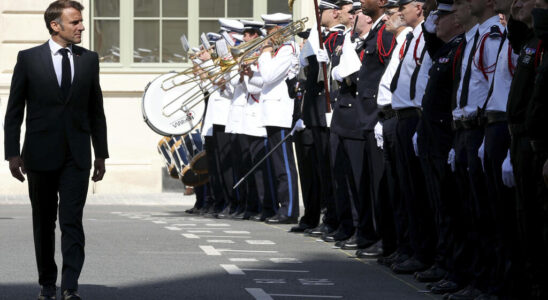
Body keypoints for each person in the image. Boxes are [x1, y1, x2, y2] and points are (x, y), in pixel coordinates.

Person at [3, 1, 108, 299]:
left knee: (72, 221)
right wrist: (12, 153)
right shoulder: (29, 59)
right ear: (55, 25)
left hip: (77, 156)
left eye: (80, 21)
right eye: (75, 22)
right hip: (39, 154)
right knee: (44, 222)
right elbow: (14, 112)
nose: (82, 27)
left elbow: (96, 110)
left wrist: (100, 154)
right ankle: (47, 283)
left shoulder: (89, 60)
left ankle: (70, 287)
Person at [327, 0, 394, 253]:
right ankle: (366, 232)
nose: (355, 14)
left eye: (358, 11)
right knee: (355, 181)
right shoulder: (362, 38)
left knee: (371, 184)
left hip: (369, 115)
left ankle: (376, 235)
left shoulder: (382, 35)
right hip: (358, 116)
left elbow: (377, 75)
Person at [389, 0, 436, 275]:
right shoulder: (411, 37)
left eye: (403, 5)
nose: (399, 11)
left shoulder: (425, 34)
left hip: (417, 116)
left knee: (420, 193)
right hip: (403, 116)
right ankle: (413, 248)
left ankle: (424, 252)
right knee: (408, 192)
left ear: (418, 7)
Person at [506, 0, 547, 297]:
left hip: (538, 144)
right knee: (525, 218)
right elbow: (515, 36)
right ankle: (531, 283)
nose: (518, 3)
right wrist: (514, 14)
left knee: (538, 218)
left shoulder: (544, 42)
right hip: (520, 137)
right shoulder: (530, 39)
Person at [372, 0, 413, 264]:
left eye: (391, 13)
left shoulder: (409, 39)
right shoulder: (400, 42)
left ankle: (408, 247)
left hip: (402, 118)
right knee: (395, 190)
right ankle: (400, 245)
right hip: (388, 118)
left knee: (405, 191)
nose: (387, 17)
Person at [257, 13, 300, 224]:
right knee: (277, 166)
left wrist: (264, 52)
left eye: (269, 30)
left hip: (281, 114)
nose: (266, 35)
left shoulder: (287, 50)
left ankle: (290, 210)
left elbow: (268, 76)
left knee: (284, 165)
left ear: (280, 30)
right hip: (272, 113)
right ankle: (282, 207)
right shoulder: (277, 51)